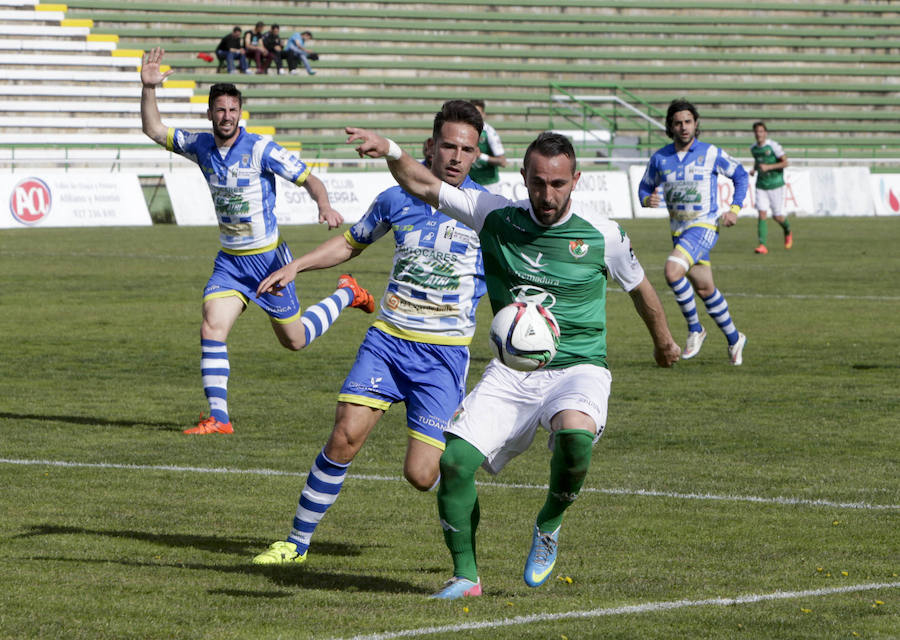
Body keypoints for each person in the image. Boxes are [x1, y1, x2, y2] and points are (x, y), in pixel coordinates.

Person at [346, 127, 681, 599]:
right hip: (511, 370)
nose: (548, 194)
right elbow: (423, 184)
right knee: (457, 463)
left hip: (578, 367)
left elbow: (640, 287)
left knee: (574, 434)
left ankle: (550, 520)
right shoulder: (495, 215)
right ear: (523, 176)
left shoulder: (602, 234)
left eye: (559, 184)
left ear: (576, 180)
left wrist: (663, 341)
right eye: (538, 182)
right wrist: (393, 150)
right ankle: (466, 577)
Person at [251, 100, 488, 566]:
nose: (457, 157)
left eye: (467, 149)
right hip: (389, 340)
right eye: (449, 147)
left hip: (443, 356)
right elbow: (351, 242)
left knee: (422, 475)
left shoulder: (484, 211)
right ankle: (296, 543)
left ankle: (459, 496)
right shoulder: (396, 198)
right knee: (345, 435)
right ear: (431, 146)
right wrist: (297, 265)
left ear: (477, 155)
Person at [140, 47, 375, 435]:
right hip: (231, 262)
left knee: (294, 341)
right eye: (220, 109)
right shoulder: (201, 146)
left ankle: (347, 293)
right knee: (212, 326)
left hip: (268, 261)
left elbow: (310, 179)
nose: (226, 116)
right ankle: (219, 418)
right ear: (210, 113)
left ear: (240, 113)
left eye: (233, 109)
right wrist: (149, 88)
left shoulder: (261, 148)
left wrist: (325, 204)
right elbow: (153, 129)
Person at [638, 98, 749, 365]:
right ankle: (735, 338)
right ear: (670, 127)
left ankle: (695, 329)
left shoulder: (710, 153)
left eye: (688, 122)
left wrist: (734, 208)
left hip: (705, 225)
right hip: (679, 232)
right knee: (705, 288)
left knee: (672, 271)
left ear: (696, 124)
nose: (684, 127)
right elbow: (644, 188)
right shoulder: (660, 158)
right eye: (678, 123)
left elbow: (741, 174)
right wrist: (646, 199)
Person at [749, 121, 792, 254]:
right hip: (761, 185)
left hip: (775, 185)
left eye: (761, 131)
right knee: (762, 213)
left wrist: (769, 167)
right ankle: (762, 245)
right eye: (756, 131)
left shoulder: (773, 146)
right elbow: (759, 161)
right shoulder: (753, 148)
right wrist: (754, 170)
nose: (758, 134)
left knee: (777, 216)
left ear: (765, 133)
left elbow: (785, 163)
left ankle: (787, 230)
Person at [467, 99, 507, 194]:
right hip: (469, 184)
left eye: (478, 113)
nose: (475, 116)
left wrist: (481, 156)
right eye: (472, 113)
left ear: (484, 114)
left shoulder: (489, 132)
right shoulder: (463, 132)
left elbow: (502, 162)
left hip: (489, 186)